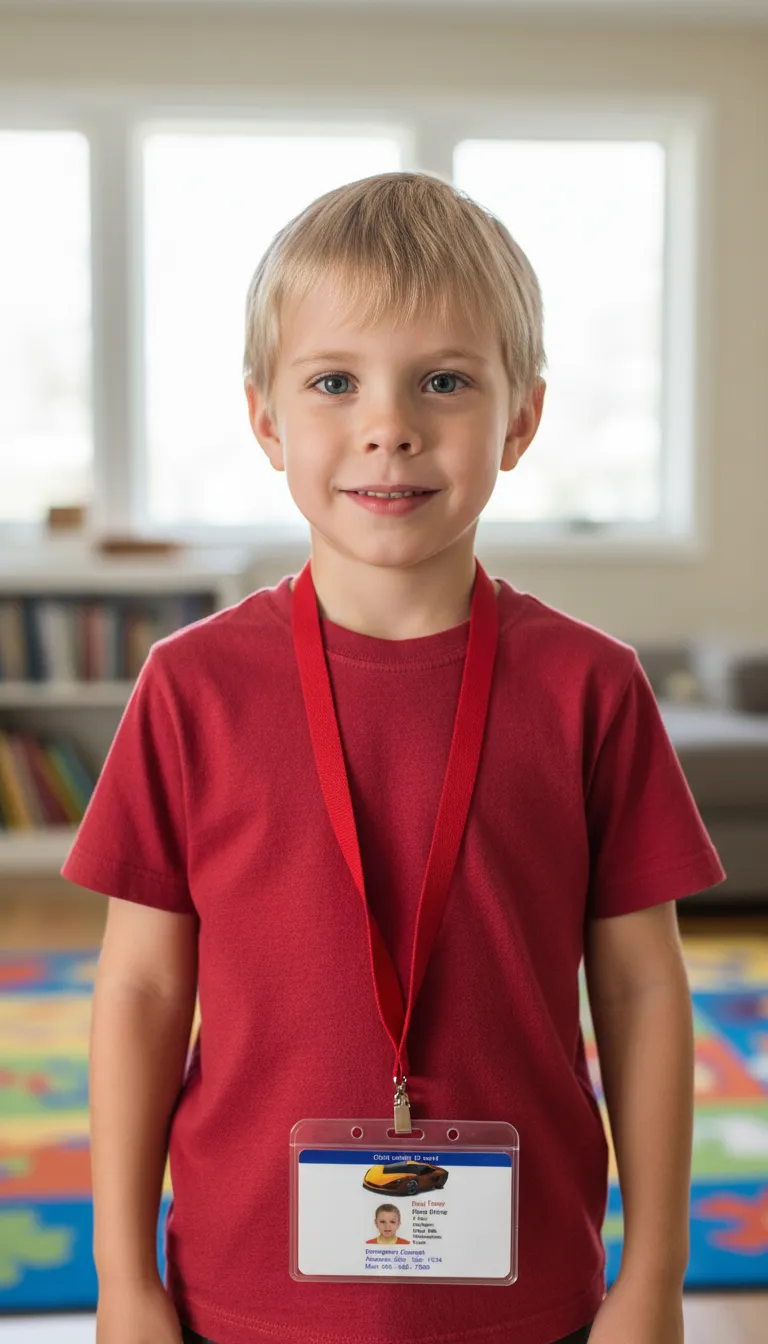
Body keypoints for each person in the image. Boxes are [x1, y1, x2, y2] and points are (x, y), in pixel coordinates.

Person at [61, 170, 725, 1344]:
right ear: (267, 418)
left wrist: (653, 1280)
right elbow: (145, 988)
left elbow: (638, 987)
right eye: (334, 381)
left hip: (530, 1295)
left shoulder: (591, 688)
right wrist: (124, 1281)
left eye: (445, 382)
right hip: (241, 1291)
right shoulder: (191, 688)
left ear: (520, 419)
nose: (390, 424)